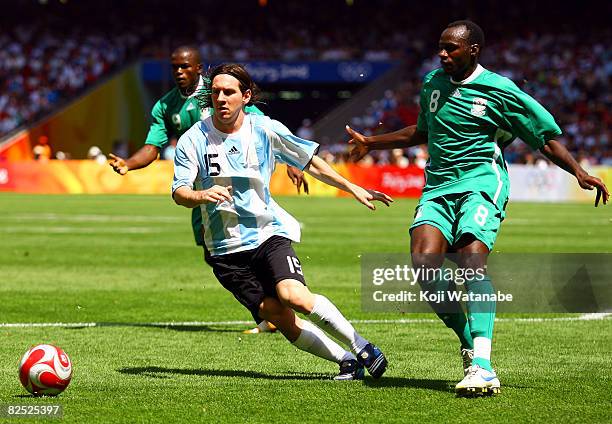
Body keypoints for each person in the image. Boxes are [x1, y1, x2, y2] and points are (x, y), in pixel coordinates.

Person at [347, 20, 609, 395]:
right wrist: (372, 142)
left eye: (451, 48)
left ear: (473, 51)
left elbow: (545, 139)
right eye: (440, 46)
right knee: (424, 266)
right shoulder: (431, 84)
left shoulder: (500, 90)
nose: (442, 53)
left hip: (482, 183)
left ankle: (483, 366)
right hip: (438, 185)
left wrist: (579, 171)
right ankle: (468, 340)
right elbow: (423, 130)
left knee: (472, 263)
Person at [172, 63, 393, 380]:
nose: (221, 98)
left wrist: (352, 187)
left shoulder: (265, 129)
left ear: (245, 96)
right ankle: (346, 360)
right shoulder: (194, 138)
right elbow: (179, 191)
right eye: (216, 92)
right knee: (278, 315)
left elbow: (309, 162)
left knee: (294, 296)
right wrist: (200, 196)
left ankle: (363, 348)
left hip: (266, 233)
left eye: (229, 92)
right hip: (224, 249)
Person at [108, 46, 307, 334]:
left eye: (185, 66)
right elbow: (153, 146)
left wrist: (291, 160)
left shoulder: (222, 91)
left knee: (249, 248)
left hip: (240, 189)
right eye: (175, 66)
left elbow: (260, 124)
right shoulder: (166, 106)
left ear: (199, 68)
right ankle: (271, 311)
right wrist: (129, 163)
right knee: (215, 254)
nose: (179, 72)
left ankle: (271, 313)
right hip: (202, 193)